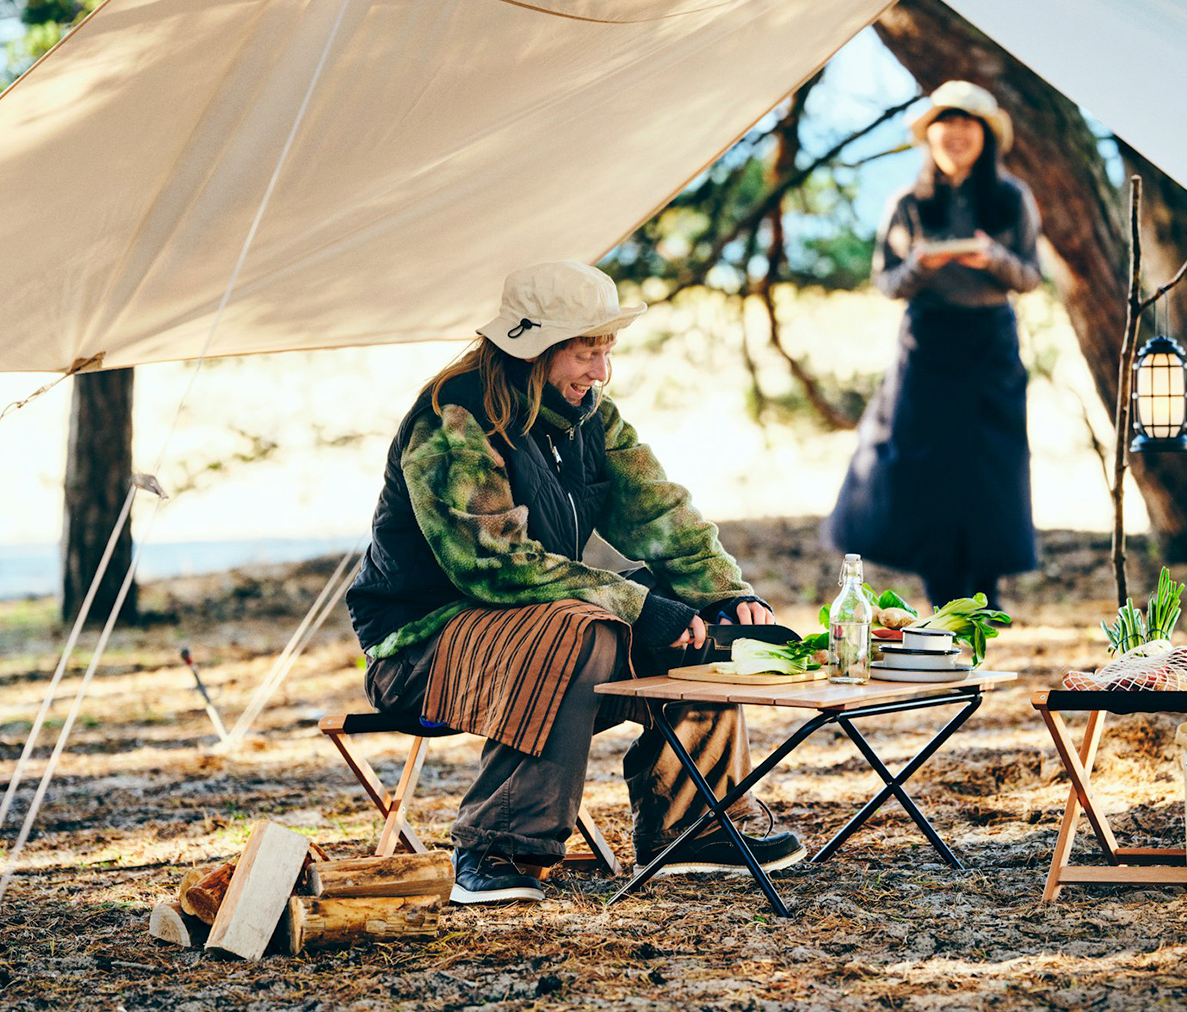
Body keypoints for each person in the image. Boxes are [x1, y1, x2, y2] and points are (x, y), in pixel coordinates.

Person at [346, 261, 804, 905]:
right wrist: (639, 607)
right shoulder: (454, 421)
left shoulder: (592, 415)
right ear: (532, 350)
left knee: (705, 631)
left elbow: (660, 514)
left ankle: (691, 825)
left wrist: (726, 593)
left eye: (606, 351)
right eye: (586, 353)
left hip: (536, 633)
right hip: (421, 647)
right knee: (586, 628)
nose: (601, 372)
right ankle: (497, 844)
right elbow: (492, 563)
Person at [824, 80, 1042, 611]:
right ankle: (940, 597)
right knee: (925, 469)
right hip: (926, 345)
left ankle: (985, 598)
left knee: (988, 468)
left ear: (986, 135)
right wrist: (921, 265)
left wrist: (992, 259)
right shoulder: (908, 202)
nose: (956, 133)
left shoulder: (1011, 197)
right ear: (931, 135)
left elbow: (1031, 276)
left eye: (968, 122)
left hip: (991, 344)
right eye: (945, 122)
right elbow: (887, 282)